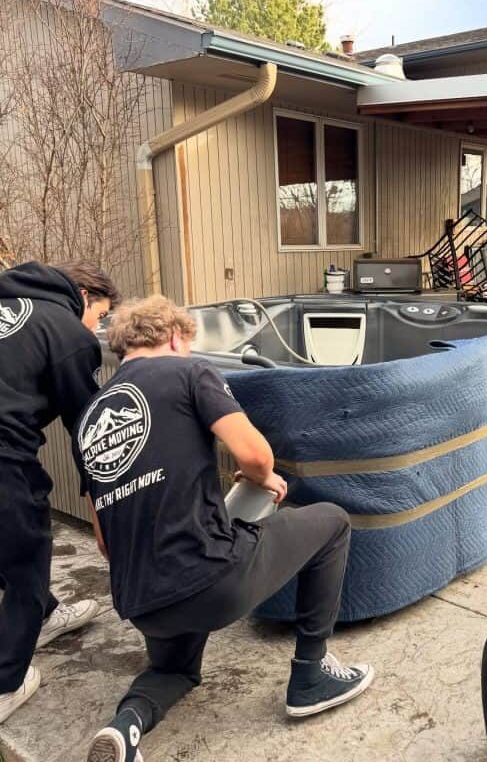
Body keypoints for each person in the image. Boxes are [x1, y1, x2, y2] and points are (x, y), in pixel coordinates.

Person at [74, 295, 373, 762]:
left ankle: (126, 725)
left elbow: (104, 541)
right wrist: (260, 477)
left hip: (143, 603)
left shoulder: (89, 418)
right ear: (175, 337)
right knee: (331, 522)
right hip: (210, 580)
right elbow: (256, 456)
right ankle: (311, 675)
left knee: (175, 671)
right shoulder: (188, 372)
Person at [0, 260, 121, 724]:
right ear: (85, 295)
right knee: (28, 552)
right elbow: (86, 427)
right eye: (101, 315)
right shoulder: (68, 333)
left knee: (6, 545)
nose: (99, 326)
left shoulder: (10, 304)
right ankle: (6, 682)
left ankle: (45, 616)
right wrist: (100, 500)